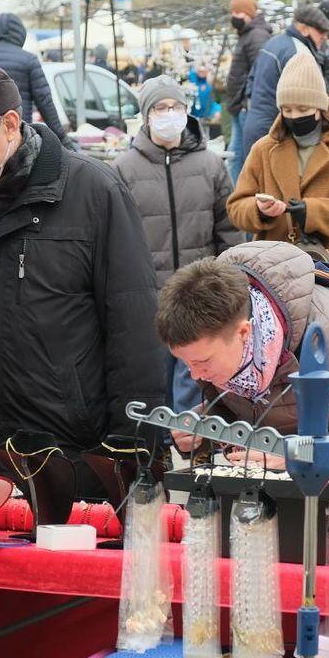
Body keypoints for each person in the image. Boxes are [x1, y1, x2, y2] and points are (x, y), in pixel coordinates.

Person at [0, 58, 165, 457]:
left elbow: (133, 325)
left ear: (10, 124)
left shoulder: (95, 193)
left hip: (66, 450)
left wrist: (130, 448)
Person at [156, 242, 329, 479]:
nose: (195, 375)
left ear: (244, 333)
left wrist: (295, 455)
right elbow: (256, 409)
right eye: (186, 363)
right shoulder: (223, 338)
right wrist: (206, 427)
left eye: (202, 362)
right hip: (306, 483)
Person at [112, 76, 242, 413]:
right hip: (149, 297)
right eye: (161, 107)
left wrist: (228, 283)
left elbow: (228, 229)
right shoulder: (124, 170)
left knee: (196, 381)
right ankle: (158, 441)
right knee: (154, 382)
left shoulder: (211, 165)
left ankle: (191, 439)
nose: (169, 114)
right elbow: (116, 241)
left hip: (199, 297)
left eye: (176, 106)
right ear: (146, 115)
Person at [227, 52, 329, 264]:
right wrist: (259, 211)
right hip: (272, 267)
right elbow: (236, 207)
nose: (294, 116)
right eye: (287, 110)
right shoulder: (263, 149)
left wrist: (313, 212)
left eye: (303, 109)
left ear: (320, 108)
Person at [240, 3, 329, 155]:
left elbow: (250, 82)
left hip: (254, 124)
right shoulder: (299, 54)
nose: (324, 36)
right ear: (304, 28)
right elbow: (305, 98)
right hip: (275, 130)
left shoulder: (272, 43)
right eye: (320, 31)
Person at [0, 12, 69, 143]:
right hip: (19, 135)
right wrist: (63, 139)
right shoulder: (29, 60)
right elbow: (45, 101)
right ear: (20, 34)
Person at [225, 0, 272, 185]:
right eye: (232, 12)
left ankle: (241, 193)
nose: (234, 16)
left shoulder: (256, 36)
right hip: (240, 105)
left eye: (238, 12)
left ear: (249, 14)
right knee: (235, 155)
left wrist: (247, 99)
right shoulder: (247, 35)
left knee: (241, 156)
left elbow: (260, 71)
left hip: (246, 106)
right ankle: (235, 193)